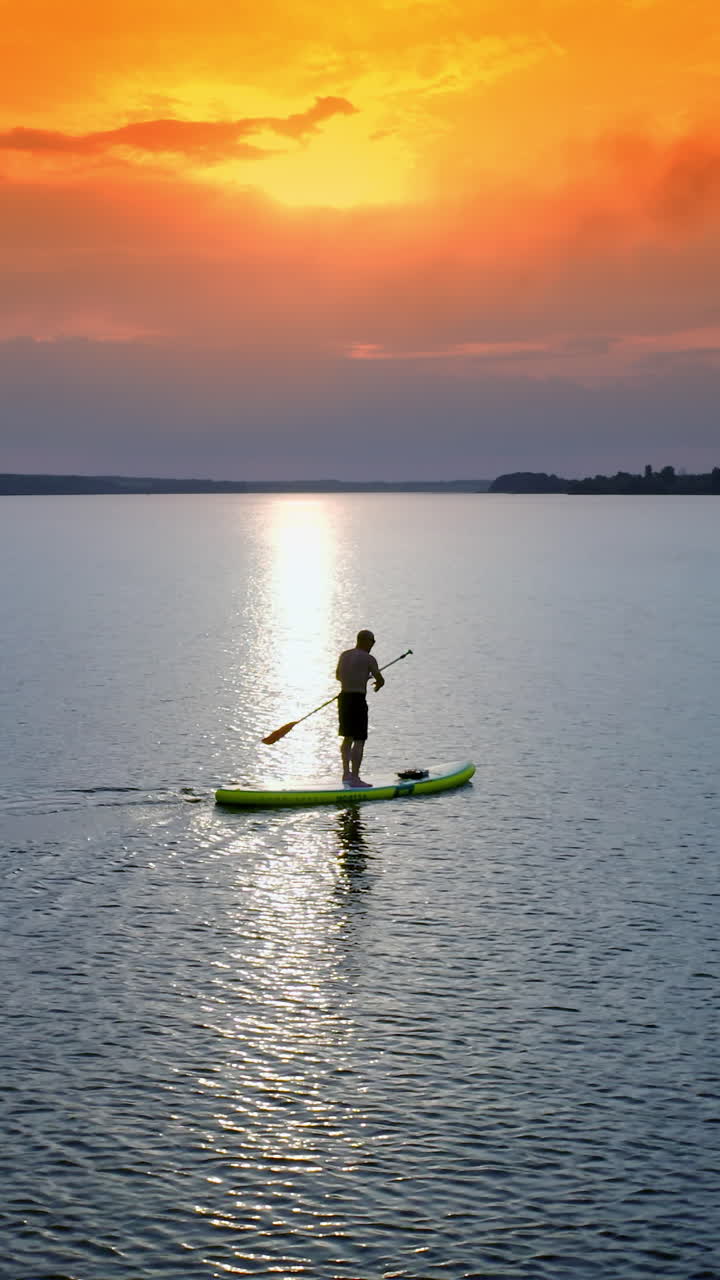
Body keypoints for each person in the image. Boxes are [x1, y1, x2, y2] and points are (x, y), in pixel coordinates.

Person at [336, 629, 384, 786]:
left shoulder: (344, 655)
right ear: (365, 641)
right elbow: (380, 679)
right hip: (357, 699)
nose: (373, 644)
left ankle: (346, 774)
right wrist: (376, 682)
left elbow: (338, 676)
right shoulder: (369, 658)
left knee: (347, 737)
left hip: (343, 698)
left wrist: (356, 676)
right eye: (372, 641)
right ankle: (355, 778)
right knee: (359, 739)